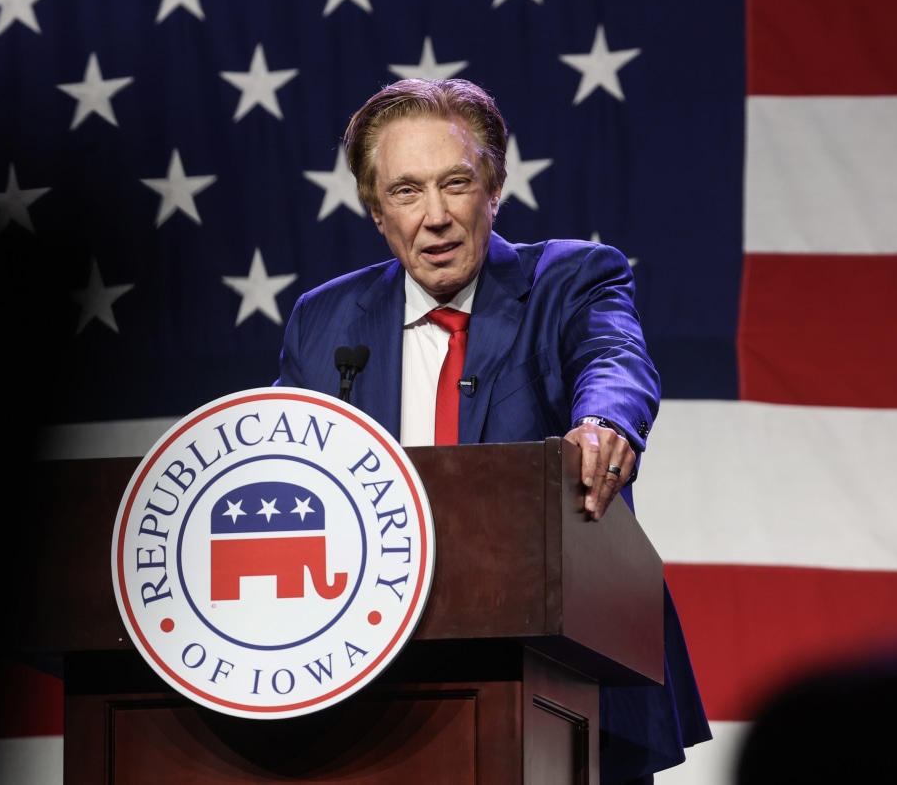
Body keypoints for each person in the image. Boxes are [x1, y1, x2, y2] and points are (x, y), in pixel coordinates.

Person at [276, 78, 710, 783]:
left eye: (457, 183)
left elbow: (614, 359)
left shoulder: (571, 279)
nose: (437, 216)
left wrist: (603, 423)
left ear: (495, 187)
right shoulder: (324, 321)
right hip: (371, 687)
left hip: (563, 675)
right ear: (375, 210)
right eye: (407, 192)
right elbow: (277, 451)